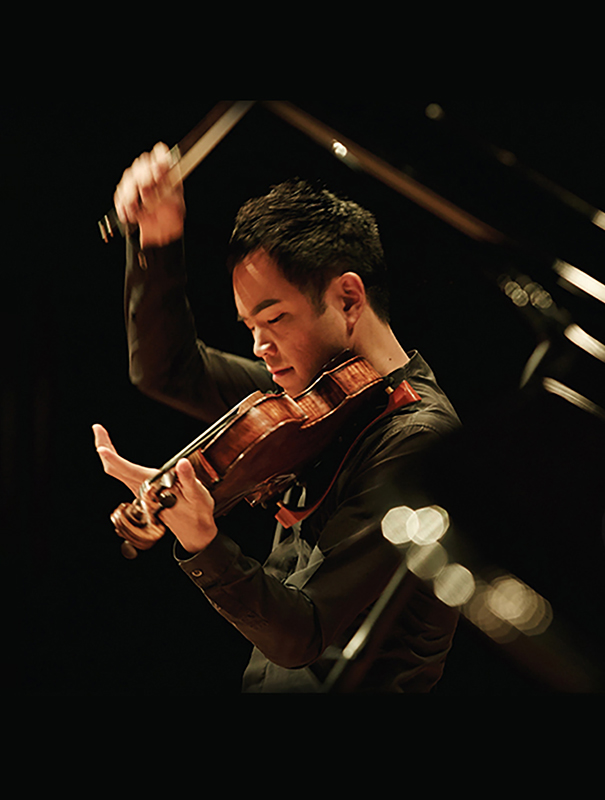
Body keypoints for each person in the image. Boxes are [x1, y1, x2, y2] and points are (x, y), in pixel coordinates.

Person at [94, 142, 463, 692]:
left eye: (275, 319)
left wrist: (204, 543)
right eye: (250, 327)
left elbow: (304, 634)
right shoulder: (313, 400)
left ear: (348, 298)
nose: (260, 347)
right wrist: (158, 240)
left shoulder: (417, 438)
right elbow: (166, 370)